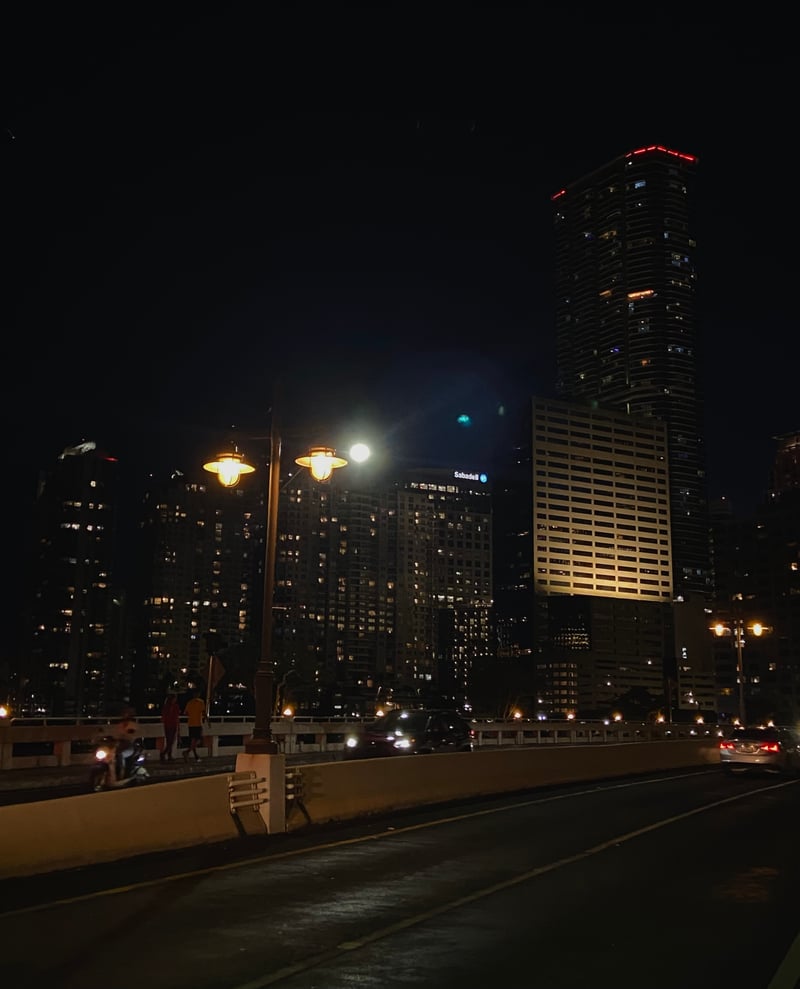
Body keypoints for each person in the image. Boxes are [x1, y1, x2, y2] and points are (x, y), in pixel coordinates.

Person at [182, 689, 206, 762]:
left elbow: (185, 713)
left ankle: (195, 755)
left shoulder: (189, 703)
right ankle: (187, 752)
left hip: (191, 723)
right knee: (198, 740)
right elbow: (203, 712)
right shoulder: (201, 702)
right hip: (197, 723)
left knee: (193, 740)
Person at [160, 692, 181, 762]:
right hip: (169, 725)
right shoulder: (167, 707)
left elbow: (176, 717)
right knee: (170, 741)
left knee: (170, 741)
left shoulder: (175, 706)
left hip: (172, 725)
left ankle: (168, 755)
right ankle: (164, 754)